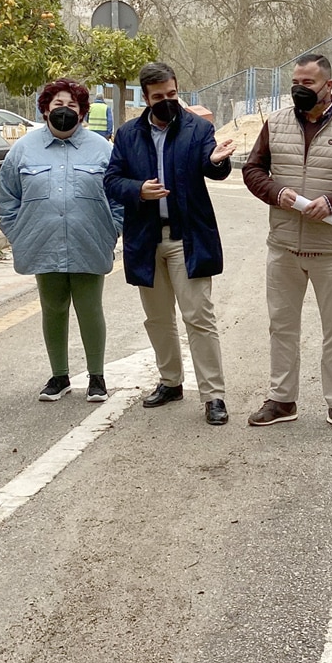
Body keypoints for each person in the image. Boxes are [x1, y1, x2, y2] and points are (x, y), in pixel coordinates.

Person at [242, 53, 332, 433]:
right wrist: (277, 193)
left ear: (328, 86)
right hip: (285, 246)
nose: (298, 89)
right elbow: (253, 170)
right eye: (295, 82)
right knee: (282, 326)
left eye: (307, 83)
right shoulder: (275, 124)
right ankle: (281, 399)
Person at [104, 61, 235, 426]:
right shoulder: (128, 134)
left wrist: (217, 162)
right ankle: (170, 381)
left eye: (173, 95)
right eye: (159, 97)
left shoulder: (198, 129)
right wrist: (138, 191)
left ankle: (213, 396)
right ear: (145, 98)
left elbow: (214, 167)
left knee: (199, 317)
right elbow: (112, 180)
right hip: (146, 239)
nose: (167, 102)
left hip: (187, 238)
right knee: (158, 318)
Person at [0, 79, 124, 402]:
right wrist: (18, 234)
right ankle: (59, 376)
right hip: (42, 242)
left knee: (89, 307)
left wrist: (113, 229)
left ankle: (97, 377)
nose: (64, 111)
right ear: (44, 110)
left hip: (90, 240)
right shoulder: (23, 150)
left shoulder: (103, 150)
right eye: (57, 105)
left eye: (71, 106)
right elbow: (8, 199)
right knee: (52, 308)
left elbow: (118, 198)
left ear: (82, 112)